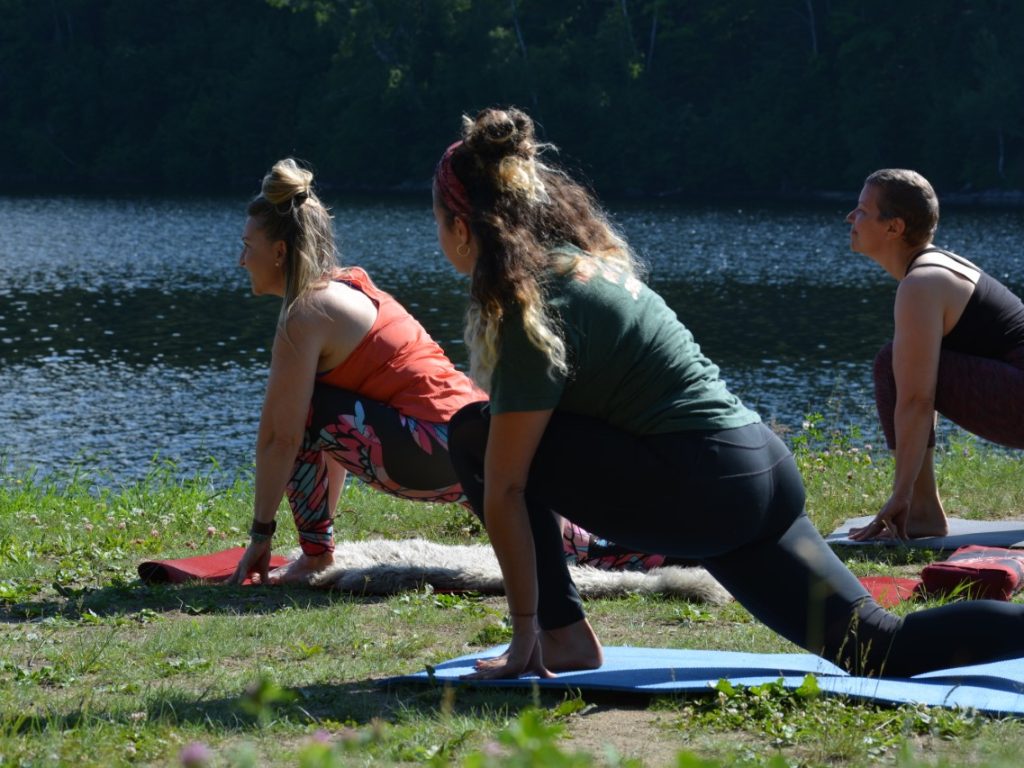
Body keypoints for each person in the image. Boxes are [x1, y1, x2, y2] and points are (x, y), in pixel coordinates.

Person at [433, 107, 1024, 679]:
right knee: (879, 647)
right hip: (759, 473)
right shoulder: (585, 267)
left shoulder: (530, 306)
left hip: (706, 488)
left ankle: (560, 636)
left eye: (437, 223)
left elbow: (507, 484)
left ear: (462, 227)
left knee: (475, 433)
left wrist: (522, 633)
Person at [227, 158, 485, 585]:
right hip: (480, 446)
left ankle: (314, 559)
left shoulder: (305, 314)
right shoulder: (347, 286)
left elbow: (282, 437)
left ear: (279, 252)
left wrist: (261, 535)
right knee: (588, 549)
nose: (240, 260)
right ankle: (317, 549)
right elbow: (341, 432)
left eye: (246, 247)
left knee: (302, 410)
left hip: (441, 452)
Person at [846, 169, 1024, 541]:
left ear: (894, 227)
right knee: (897, 363)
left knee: (892, 367)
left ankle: (922, 511)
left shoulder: (922, 283)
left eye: (862, 210)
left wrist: (900, 495)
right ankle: (923, 508)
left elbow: (916, 398)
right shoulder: (935, 268)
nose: (850, 217)